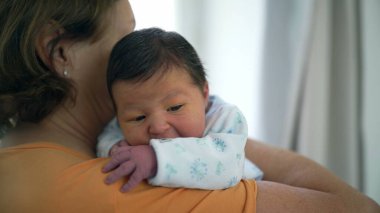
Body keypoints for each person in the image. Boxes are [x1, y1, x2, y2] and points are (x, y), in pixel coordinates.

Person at [0, 0, 379, 212]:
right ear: (59, 50)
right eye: (125, 35)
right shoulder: (113, 184)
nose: (138, 57)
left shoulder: (17, 166)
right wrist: (212, 124)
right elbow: (354, 207)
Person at [97, 27, 263, 192]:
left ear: (204, 94)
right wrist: (117, 149)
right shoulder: (120, 124)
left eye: (174, 107)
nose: (158, 127)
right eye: (139, 117)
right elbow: (107, 137)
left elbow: (226, 167)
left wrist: (156, 158)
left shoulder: (224, 118)